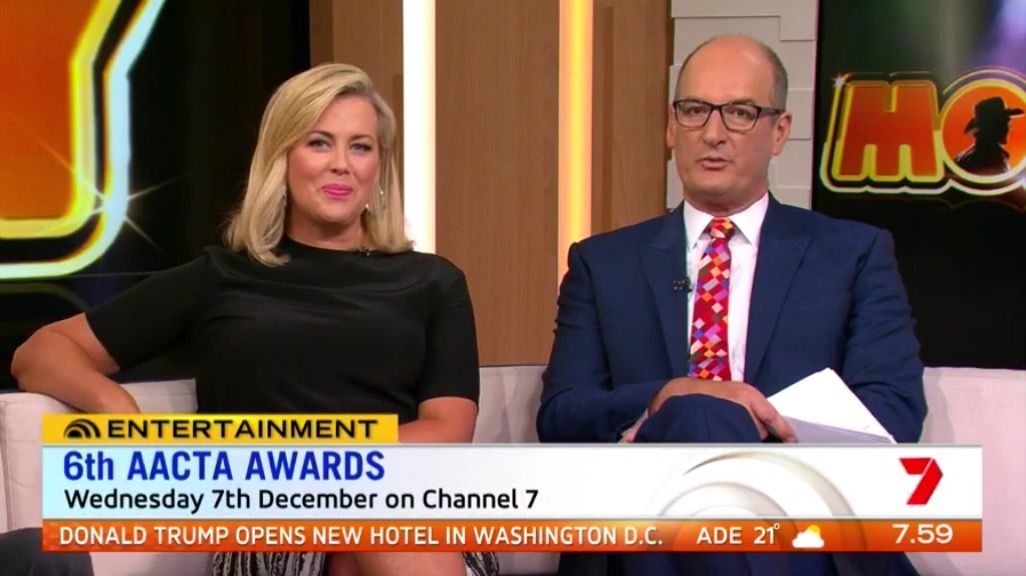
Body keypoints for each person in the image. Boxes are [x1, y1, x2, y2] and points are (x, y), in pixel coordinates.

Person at [12, 63, 497, 576]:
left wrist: (332, 467)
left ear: (379, 166)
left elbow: (448, 429)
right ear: (281, 158)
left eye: (360, 147)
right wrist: (116, 408)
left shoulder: (433, 282)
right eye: (319, 143)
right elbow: (40, 353)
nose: (341, 165)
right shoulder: (221, 278)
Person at [537, 35, 926, 576]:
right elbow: (561, 416)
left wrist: (745, 421)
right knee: (690, 414)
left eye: (740, 113)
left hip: (803, 524)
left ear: (780, 131)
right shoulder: (602, 263)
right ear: (671, 127)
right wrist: (666, 398)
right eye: (694, 110)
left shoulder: (853, 254)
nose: (713, 133)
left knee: (704, 419)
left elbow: (893, 411)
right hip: (644, 519)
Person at [954, 95, 1023, 175]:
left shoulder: (963, 157)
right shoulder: (993, 157)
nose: (1010, 127)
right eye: (1006, 121)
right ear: (994, 125)